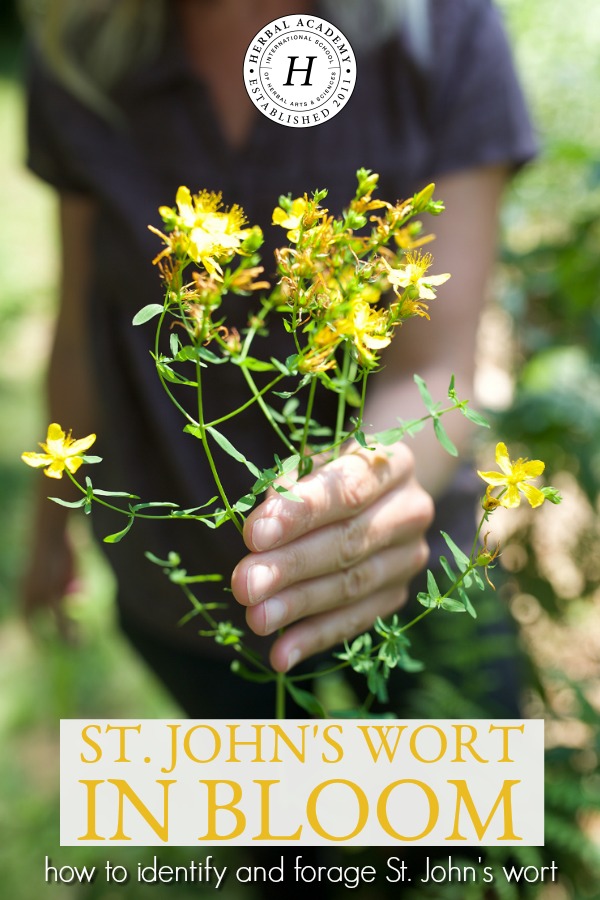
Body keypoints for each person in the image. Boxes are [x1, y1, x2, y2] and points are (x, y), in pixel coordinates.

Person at [20, 0, 536, 717]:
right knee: (267, 827)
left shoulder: (444, 26)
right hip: (188, 596)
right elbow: (79, 323)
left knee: (455, 828)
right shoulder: (81, 46)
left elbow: (437, 364)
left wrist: (361, 492)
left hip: (406, 574)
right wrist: (51, 525)